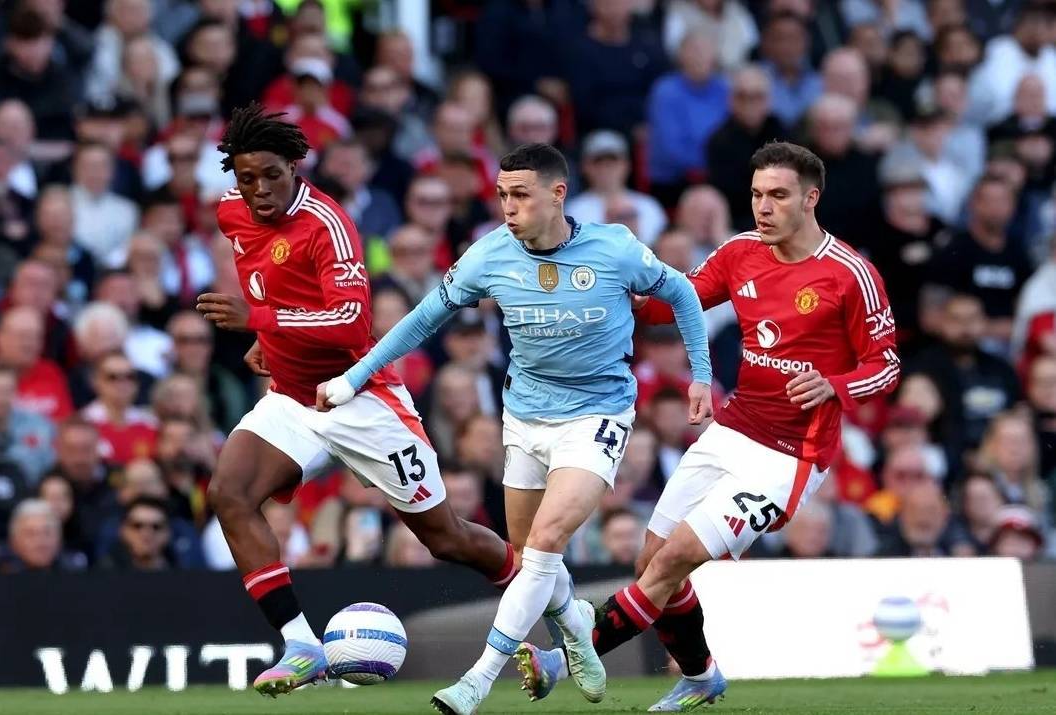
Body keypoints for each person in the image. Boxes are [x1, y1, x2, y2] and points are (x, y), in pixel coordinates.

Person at [317, 142, 712, 714]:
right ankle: (575, 623)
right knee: (529, 554)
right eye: (502, 194)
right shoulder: (489, 255)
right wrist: (355, 378)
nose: (508, 206)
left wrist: (701, 374)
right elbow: (424, 318)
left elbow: (681, 291)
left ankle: (477, 679)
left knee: (546, 545)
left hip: (596, 416)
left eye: (520, 194)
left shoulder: (615, 248)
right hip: (524, 419)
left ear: (557, 195)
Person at [518, 141, 899, 710]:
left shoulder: (850, 274)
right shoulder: (741, 252)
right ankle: (700, 676)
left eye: (778, 195)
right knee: (650, 561)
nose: (763, 207)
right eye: (756, 194)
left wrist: (834, 385)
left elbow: (885, 366)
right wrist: (611, 285)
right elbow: (677, 301)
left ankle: (564, 657)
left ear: (811, 199)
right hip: (731, 430)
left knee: (674, 559)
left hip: (789, 456)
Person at [196, 104, 519, 697]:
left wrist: (260, 322)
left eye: (272, 175)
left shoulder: (327, 224)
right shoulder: (230, 212)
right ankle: (301, 646)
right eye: (247, 178)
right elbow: (277, 287)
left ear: (295, 168)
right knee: (229, 493)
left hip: (359, 397)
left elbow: (351, 322)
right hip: (293, 400)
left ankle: (553, 605)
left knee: (446, 537)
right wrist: (272, 340)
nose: (260, 189)